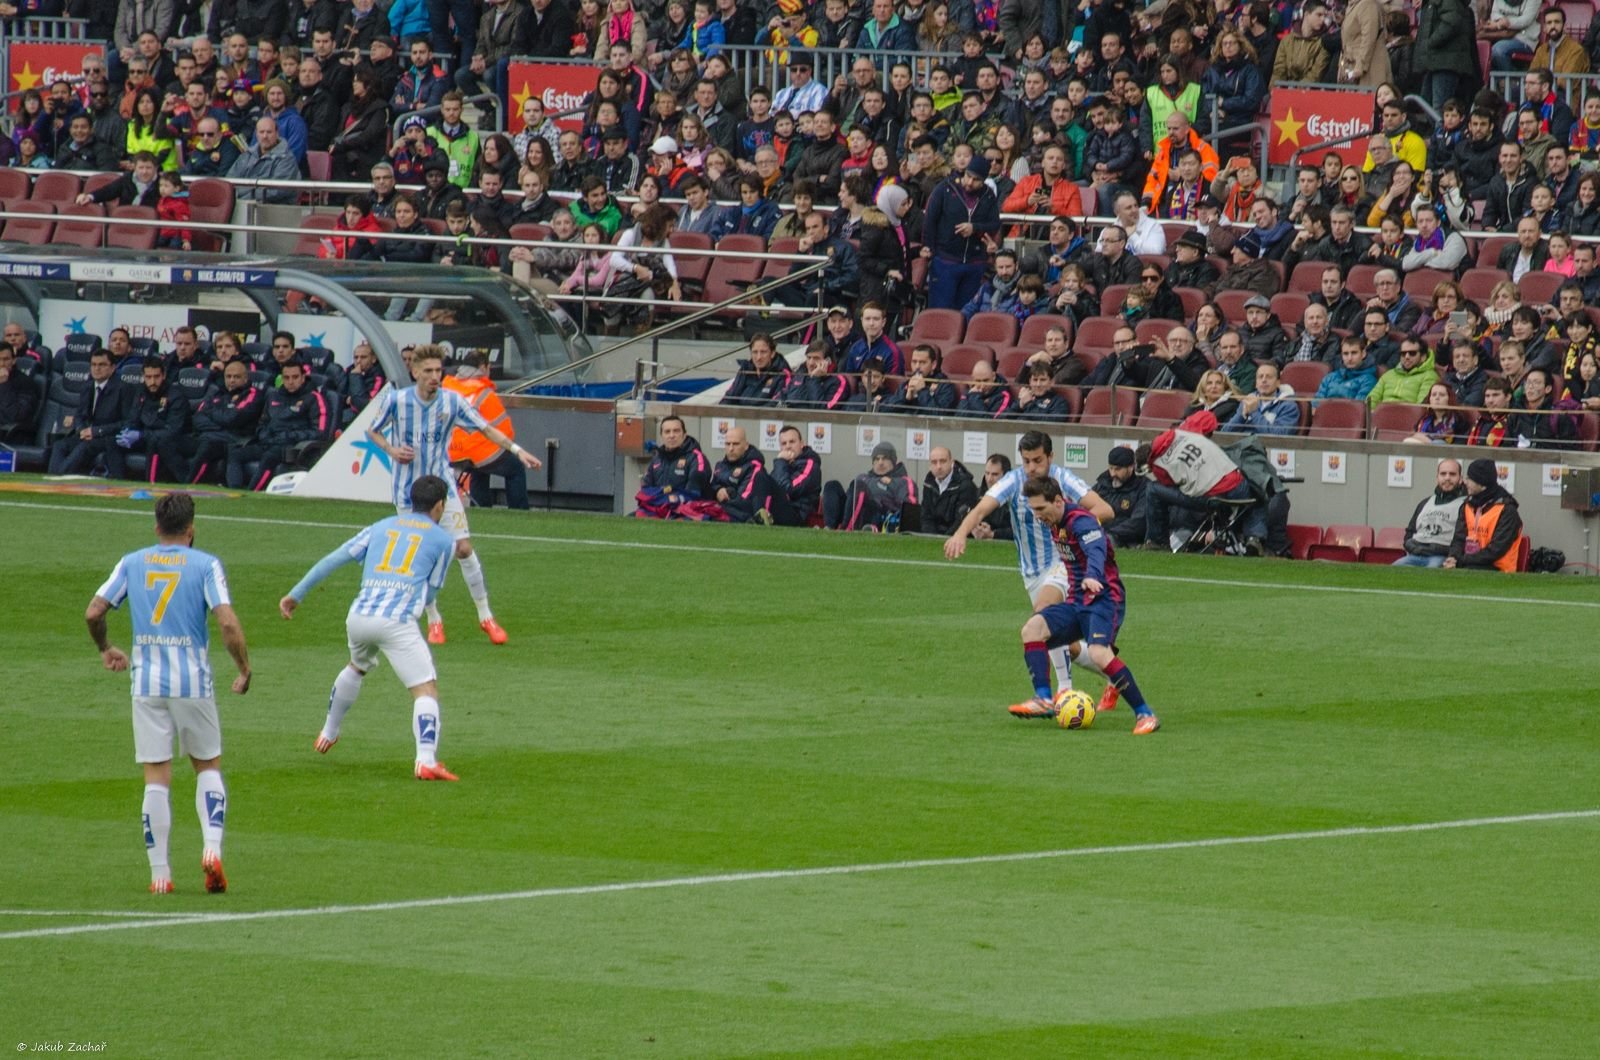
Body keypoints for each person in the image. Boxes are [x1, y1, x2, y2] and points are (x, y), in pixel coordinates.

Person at [85, 492, 252, 894]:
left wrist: (106, 649)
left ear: (156, 527)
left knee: (156, 779)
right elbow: (227, 623)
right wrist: (244, 667)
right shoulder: (206, 564)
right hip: (192, 682)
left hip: (146, 684)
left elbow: (94, 611)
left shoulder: (132, 561)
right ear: (191, 529)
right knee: (207, 766)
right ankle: (211, 850)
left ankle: (160, 876)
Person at [280, 475, 461, 781]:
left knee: (356, 666)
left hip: (359, 617)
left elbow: (334, 559)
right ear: (440, 505)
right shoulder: (444, 541)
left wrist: (296, 594)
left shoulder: (380, 526)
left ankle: (328, 731)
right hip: (396, 621)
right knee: (425, 689)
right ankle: (426, 760)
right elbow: (430, 593)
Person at [364, 345, 540, 645]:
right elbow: (372, 431)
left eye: (438, 371)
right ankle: (434, 620)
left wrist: (517, 450)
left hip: (443, 486)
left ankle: (486, 616)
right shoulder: (396, 400)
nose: (435, 377)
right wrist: (391, 449)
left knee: (463, 548)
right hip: (407, 491)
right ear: (415, 372)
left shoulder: (452, 402)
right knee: (422, 555)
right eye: (429, 371)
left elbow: (485, 429)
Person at [943, 431, 1115, 704]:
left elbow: (1105, 509)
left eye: (1038, 460)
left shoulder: (1064, 479)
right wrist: (960, 533)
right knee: (1061, 643)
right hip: (1031, 572)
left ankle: (1060, 693)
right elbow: (980, 509)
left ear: (1050, 457)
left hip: (1064, 564)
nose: (1032, 468)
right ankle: (1113, 673)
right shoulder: (1014, 481)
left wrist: (1073, 525)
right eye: (1026, 461)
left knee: (1041, 615)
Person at [1009, 477, 1161, 735]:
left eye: (1041, 509)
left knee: (1101, 654)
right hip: (1076, 600)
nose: (1037, 516)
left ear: (1058, 501)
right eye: (1033, 510)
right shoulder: (1055, 522)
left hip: (1103, 597)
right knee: (1032, 629)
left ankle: (1145, 714)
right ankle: (1044, 698)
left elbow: (1097, 550)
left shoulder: (1081, 521)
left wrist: (1092, 575)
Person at [1137, 411, 1269, 555]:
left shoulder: (1158, 465)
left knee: (1153, 489)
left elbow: (1173, 485)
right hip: (1237, 484)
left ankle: (1157, 542)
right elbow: (1209, 418)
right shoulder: (1183, 430)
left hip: (1211, 498)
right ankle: (1254, 537)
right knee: (1259, 490)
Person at [1445, 459, 1526, 571]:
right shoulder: (1467, 505)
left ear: (1482, 483)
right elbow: (1459, 539)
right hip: (1469, 563)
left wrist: (1461, 560)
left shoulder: (1507, 511)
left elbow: (1496, 550)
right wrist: (1453, 557)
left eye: (1469, 478)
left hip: (1498, 569)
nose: (1465, 482)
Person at [821, 441, 917, 531]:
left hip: (878, 517)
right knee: (832, 485)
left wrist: (889, 487)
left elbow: (908, 510)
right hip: (853, 514)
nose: (880, 462)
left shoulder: (902, 481)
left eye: (885, 458)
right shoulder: (863, 478)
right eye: (877, 459)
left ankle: (846, 529)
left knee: (859, 487)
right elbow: (850, 501)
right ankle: (829, 528)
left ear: (893, 461)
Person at [1395, 459, 1468, 568]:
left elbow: (1462, 539)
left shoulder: (1466, 505)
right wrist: (1413, 547)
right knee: (1394, 569)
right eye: (1443, 474)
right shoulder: (1424, 503)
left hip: (1441, 557)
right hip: (1415, 554)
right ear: (1437, 478)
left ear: (1460, 479)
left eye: (1452, 474)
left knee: (1431, 571)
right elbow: (1409, 532)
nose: (1447, 477)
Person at [1226, 362, 1301, 436]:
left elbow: (1280, 435)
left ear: (1278, 383)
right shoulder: (1248, 401)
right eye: (1260, 377)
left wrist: (1254, 412)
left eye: (1269, 377)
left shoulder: (1288, 405)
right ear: (1256, 383)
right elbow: (1225, 433)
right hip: (1242, 445)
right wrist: (1241, 416)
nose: (1264, 380)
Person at [1094, 446, 1147, 548]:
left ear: (1131, 467)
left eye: (1118, 469)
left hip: (1127, 541)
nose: (1113, 473)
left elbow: (1137, 523)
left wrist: (1109, 534)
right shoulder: (1102, 484)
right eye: (1111, 468)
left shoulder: (1143, 488)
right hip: (1099, 534)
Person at [920, 446, 978, 536]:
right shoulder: (928, 483)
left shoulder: (966, 486)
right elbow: (926, 516)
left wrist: (944, 540)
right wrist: (931, 537)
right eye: (934, 462)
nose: (938, 466)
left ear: (952, 462)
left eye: (943, 461)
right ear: (930, 465)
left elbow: (961, 520)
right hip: (933, 538)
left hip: (958, 538)